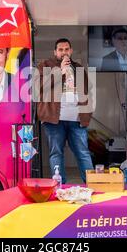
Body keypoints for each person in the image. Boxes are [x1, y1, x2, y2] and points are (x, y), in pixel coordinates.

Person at [37, 38, 94, 184]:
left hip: (77, 120)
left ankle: (92, 185)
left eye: (66, 49)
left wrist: (88, 114)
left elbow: (87, 92)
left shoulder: (79, 68)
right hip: (54, 120)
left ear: (71, 51)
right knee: (56, 153)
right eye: (60, 50)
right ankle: (60, 186)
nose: (64, 52)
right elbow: (39, 87)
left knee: (83, 153)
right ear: (55, 52)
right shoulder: (45, 65)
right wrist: (60, 71)